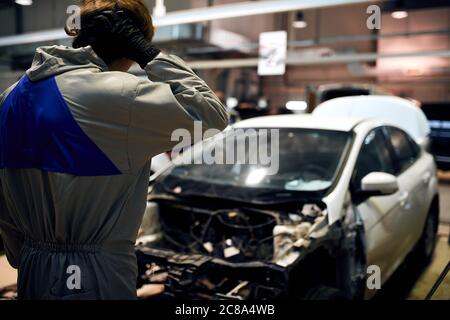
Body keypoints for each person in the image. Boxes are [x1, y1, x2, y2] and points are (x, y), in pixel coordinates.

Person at [0, 0, 228, 300]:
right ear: (133, 44)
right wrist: (151, 56)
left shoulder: (13, 96)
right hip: (94, 275)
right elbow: (211, 115)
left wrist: (33, 256)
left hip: (33, 267)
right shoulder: (118, 95)